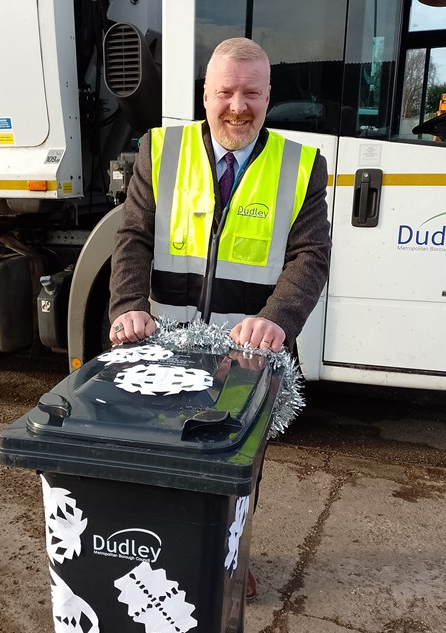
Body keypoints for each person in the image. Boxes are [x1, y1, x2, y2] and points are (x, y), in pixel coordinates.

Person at [107, 37, 332, 599]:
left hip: (247, 357)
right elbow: (133, 238)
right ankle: (164, 557)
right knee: (161, 455)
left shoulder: (301, 165)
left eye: (251, 93)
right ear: (204, 95)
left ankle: (228, 561)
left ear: (268, 95)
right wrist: (129, 307)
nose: (238, 106)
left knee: (237, 467)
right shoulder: (159, 151)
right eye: (226, 92)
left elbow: (311, 255)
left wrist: (279, 317)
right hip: (167, 346)